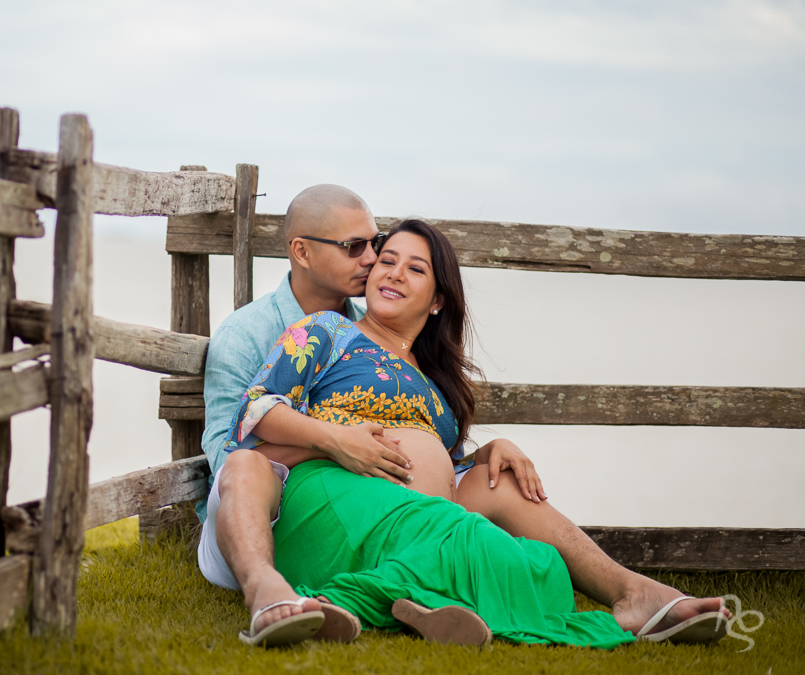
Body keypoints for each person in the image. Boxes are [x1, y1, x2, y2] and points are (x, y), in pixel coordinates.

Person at [197, 185, 730, 645]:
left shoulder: (436, 387)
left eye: (413, 268)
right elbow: (250, 423)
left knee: (505, 491)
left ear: (437, 301)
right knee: (506, 558)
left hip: (413, 510)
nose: (385, 269)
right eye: (382, 258)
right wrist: (338, 441)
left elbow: (438, 464)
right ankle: (283, 593)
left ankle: (631, 592)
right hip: (324, 499)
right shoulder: (322, 330)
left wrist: (484, 455)